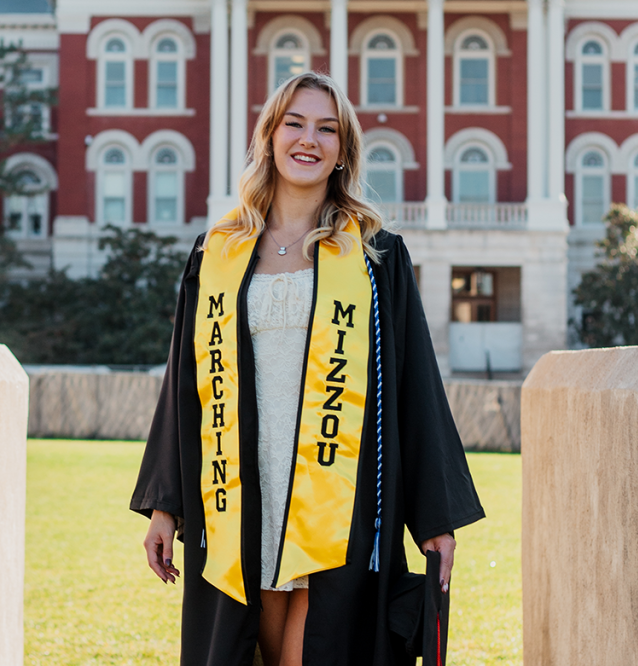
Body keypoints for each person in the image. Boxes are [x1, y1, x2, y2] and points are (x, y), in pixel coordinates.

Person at [130, 71, 484, 666]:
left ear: (343, 149)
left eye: (327, 128)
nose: (308, 140)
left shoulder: (374, 255)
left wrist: (435, 517)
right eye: (294, 123)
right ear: (269, 135)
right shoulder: (215, 253)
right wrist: (166, 504)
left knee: (319, 647)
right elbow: (185, 385)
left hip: (336, 493)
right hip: (241, 490)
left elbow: (415, 385)